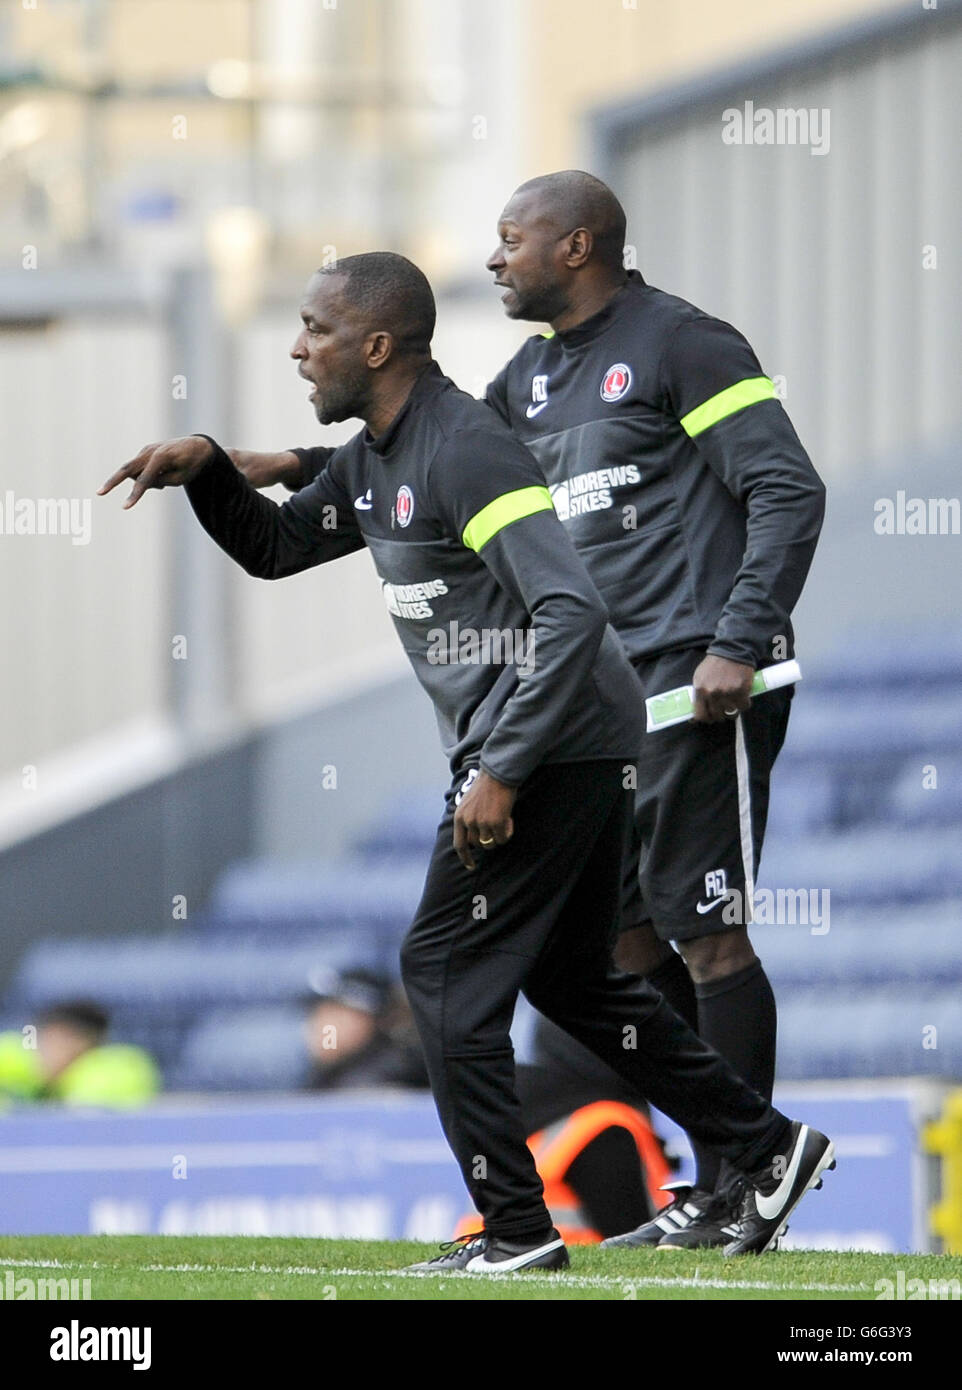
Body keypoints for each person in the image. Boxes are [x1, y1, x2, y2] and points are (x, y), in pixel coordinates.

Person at [100, 250, 833, 1273]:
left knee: (439, 972)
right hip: (562, 742)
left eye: (313, 329)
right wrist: (210, 472)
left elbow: (570, 611)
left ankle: (520, 1231)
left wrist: (500, 769)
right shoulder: (373, 460)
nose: (296, 348)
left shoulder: (464, 449)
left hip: (553, 743)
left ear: (376, 344)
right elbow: (274, 549)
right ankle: (763, 1147)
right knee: (575, 980)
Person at [0, 1001, 160, 1109]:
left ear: (89, 1048)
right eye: (52, 1038)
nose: (56, 1050)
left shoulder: (114, 1073)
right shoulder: (11, 1058)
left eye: (68, 1040)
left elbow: (80, 1124)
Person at [304, 966, 428, 1091]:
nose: (324, 1026)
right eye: (318, 1013)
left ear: (379, 1022)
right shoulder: (328, 1074)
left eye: (337, 1015)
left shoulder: (386, 1079)